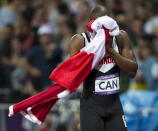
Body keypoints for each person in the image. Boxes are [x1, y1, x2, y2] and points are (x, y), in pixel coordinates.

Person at [68, 5, 138, 131]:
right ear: (91, 24)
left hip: (114, 106)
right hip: (91, 107)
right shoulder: (79, 41)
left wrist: (111, 51)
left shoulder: (120, 37)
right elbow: (72, 77)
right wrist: (93, 54)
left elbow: (133, 71)